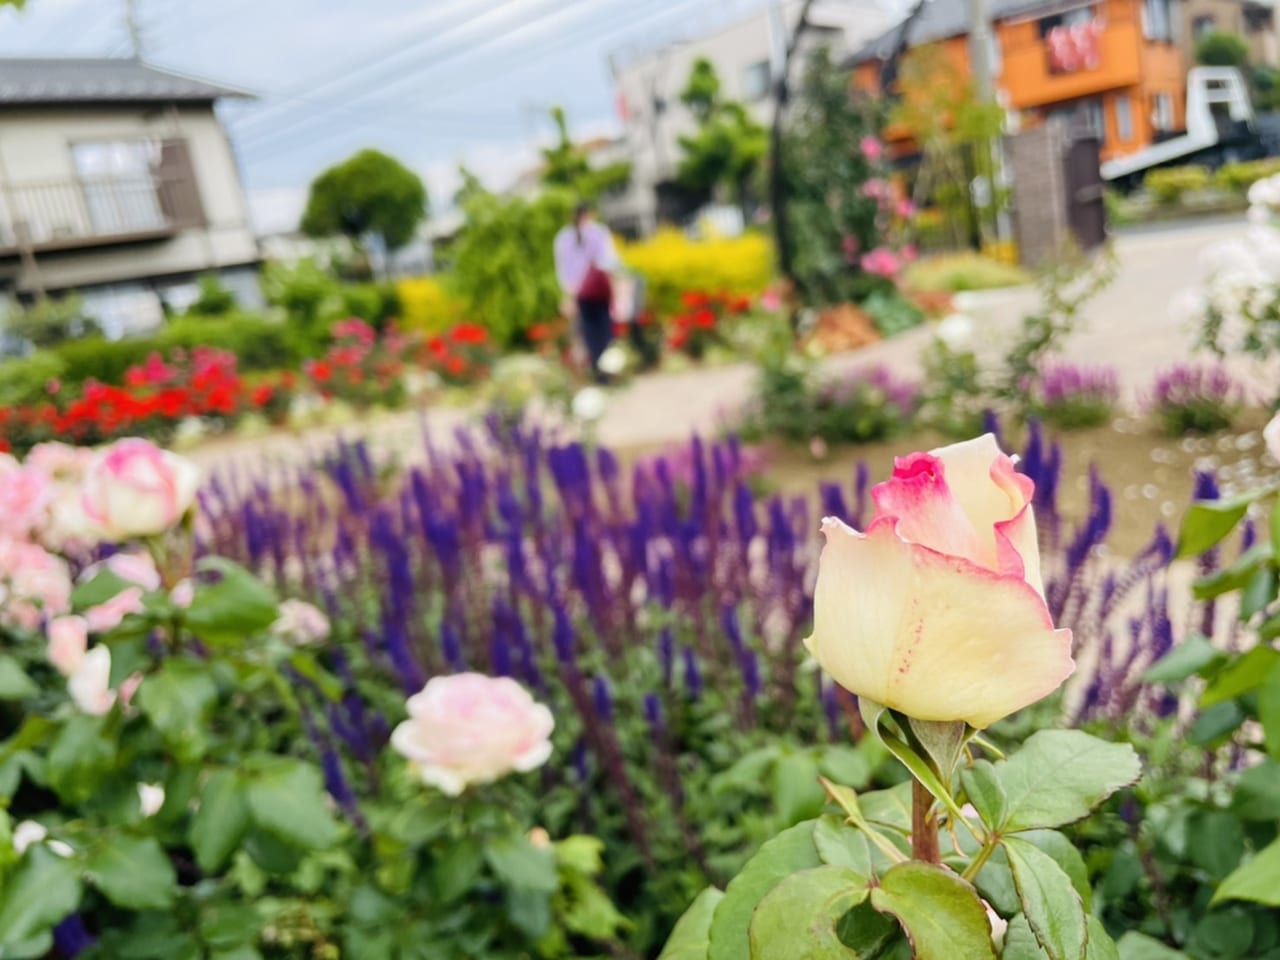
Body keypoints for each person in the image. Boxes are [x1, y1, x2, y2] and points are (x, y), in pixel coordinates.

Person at [553, 201, 618, 383]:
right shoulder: (598, 232)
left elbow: (563, 271)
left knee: (589, 334)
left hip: (580, 294)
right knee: (605, 332)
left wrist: (568, 295)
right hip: (600, 291)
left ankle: (598, 373)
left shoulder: (564, 238)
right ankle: (609, 372)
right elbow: (610, 262)